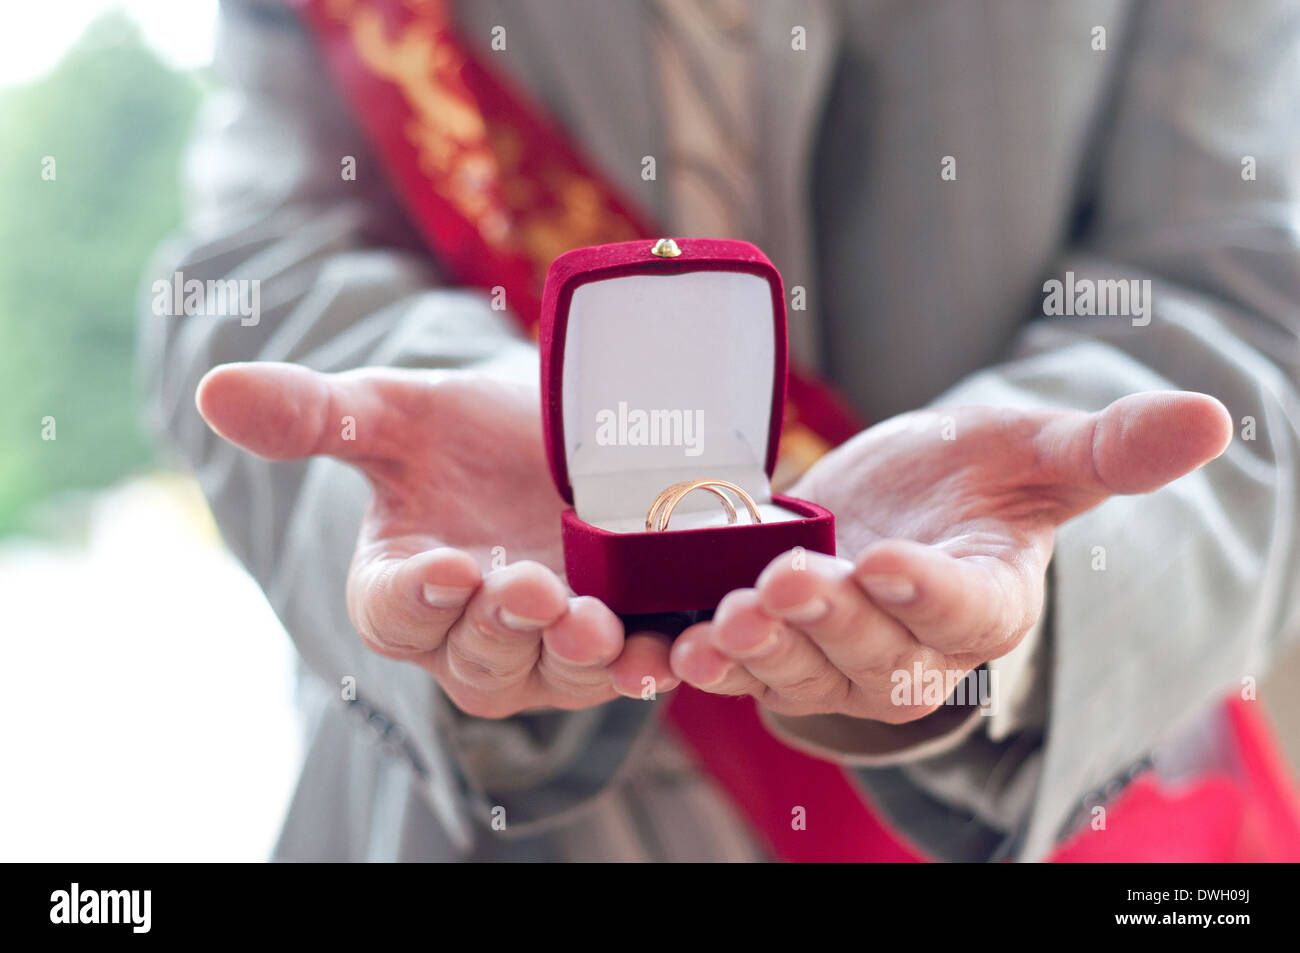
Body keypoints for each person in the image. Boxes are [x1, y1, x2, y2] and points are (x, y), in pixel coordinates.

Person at [142, 0, 1300, 861]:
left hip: (1038, 801)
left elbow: (1244, 284)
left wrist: (1036, 599)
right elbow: (262, 262)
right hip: (479, 813)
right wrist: (457, 444)